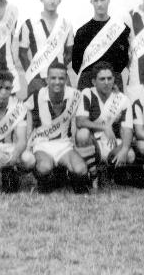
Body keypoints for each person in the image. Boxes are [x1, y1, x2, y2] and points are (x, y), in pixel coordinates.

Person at [24, 62, 89, 193]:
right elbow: (23, 114)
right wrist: (27, 145)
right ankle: (50, 178)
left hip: (64, 144)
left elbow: (82, 120)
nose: (57, 82)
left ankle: (64, 174)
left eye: (61, 78)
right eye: (53, 78)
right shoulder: (37, 95)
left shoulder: (75, 95)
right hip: (42, 144)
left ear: (66, 79)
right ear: (47, 79)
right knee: (44, 168)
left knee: (81, 170)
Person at [74, 61, 136, 188]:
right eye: (102, 79)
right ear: (93, 81)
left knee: (130, 154)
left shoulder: (122, 99)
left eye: (109, 78)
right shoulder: (87, 93)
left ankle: (109, 173)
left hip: (111, 143)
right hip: (93, 144)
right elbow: (80, 122)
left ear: (114, 80)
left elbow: (127, 129)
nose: (106, 82)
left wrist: (124, 149)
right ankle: (93, 175)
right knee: (82, 134)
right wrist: (104, 127)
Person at [18, 0, 74, 96]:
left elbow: (70, 52)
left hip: (61, 77)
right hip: (38, 78)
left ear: (59, 1)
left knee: (65, 109)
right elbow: (22, 53)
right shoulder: (29, 24)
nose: (52, 1)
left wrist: (59, 66)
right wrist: (32, 74)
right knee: (36, 110)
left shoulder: (66, 24)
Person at [72, 0, 130, 91]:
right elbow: (76, 64)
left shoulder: (121, 29)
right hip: (88, 84)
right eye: (96, 0)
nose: (99, 4)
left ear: (108, 0)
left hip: (113, 82)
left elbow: (125, 59)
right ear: (91, 2)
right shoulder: (82, 32)